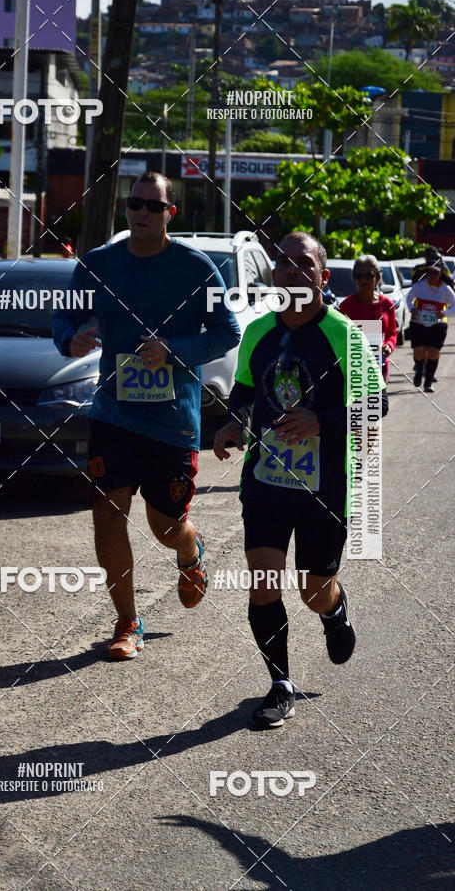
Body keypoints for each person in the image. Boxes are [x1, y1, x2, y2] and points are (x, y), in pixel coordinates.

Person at [52, 171, 241, 660]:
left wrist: (173, 351)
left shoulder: (196, 268)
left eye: (153, 206)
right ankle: (127, 622)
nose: (142, 212)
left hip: (172, 421)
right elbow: (64, 316)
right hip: (114, 414)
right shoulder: (98, 264)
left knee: (165, 527)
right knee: (107, 515)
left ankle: (189, 549)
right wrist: (69, 338)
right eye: (134, 204)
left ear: (169, 213)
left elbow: (228, 333)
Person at [214, 231, 388, 729]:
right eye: (283, 262)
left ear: (322, 276)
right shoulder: (258, 331)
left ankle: (333, 609)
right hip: (266, 482)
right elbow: (245, 390)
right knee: (264, 583)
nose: (291, 270)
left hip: (325, 487)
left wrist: (321, 421)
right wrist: (232, 423)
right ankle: (279, 685)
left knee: (313, 590)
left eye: (303, 263)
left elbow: (376, 404)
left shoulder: (342, 333)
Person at [338, 255, 397, 380]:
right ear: (354, 279)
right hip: (353, 368)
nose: (364, 280)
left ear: (378, 277)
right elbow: (338, 336)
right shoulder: (345, 306)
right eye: (359, 276)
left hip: (379, 366)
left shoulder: (387, 305)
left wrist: (389, 345)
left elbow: (392, 333)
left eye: (369, 275)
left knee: (379, 393)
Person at [406, 250, 455, 392]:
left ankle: (428, 382)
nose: (432, 276)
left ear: (440, 273)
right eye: (429, 272)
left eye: (435, 273)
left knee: (434, 352)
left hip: (438, 325)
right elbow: (409, 298)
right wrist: (412, 309)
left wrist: (444, 312)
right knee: (419, 352)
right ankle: (419, 369)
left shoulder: (446, 289)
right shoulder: (420, 285)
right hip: (418, 323)